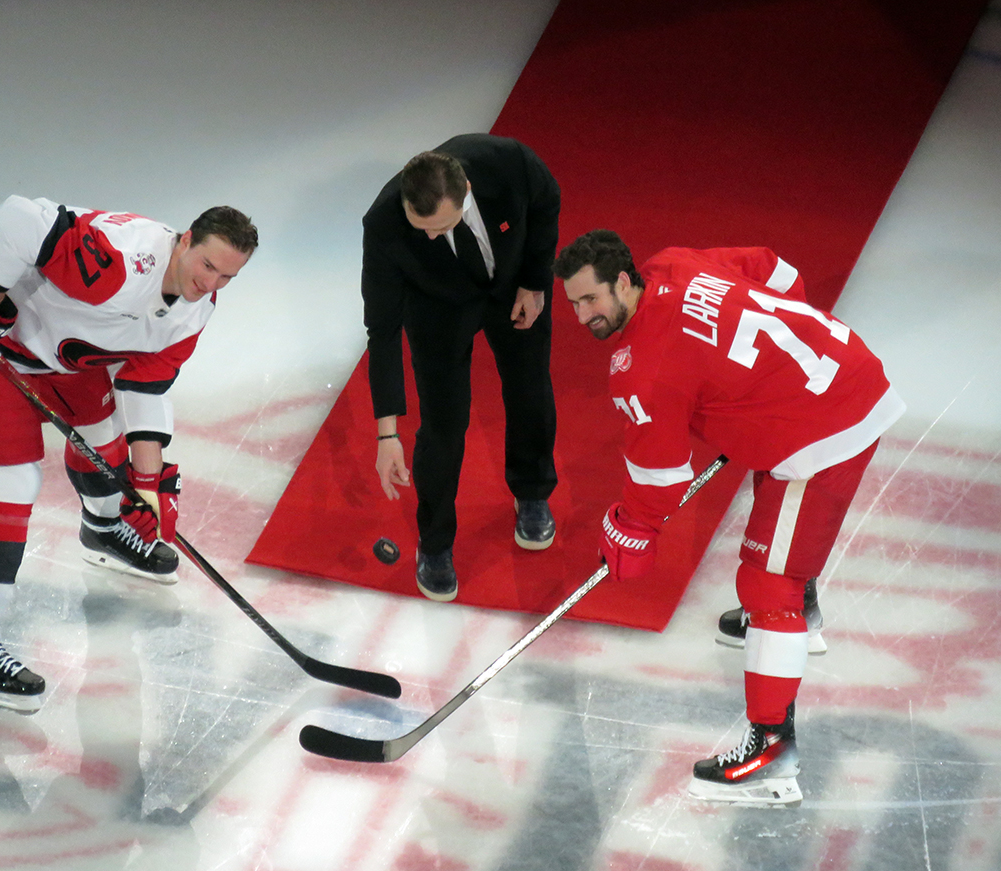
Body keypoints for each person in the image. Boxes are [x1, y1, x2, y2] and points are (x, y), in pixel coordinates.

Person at [554, 230, 904, 807]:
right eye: (573, 303)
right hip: (840, 373)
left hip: (826, 432)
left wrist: (630, 527)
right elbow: (777, 269)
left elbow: (661, 477)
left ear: (622, 281)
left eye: (591, 300)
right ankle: (803, 614)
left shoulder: (641, 368)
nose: (582, 316)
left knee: (767, 582)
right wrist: (775, 365)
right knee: (775, 515)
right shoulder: (674, 262)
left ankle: (771, 749)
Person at [0, 195, 258, 712]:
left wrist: (146, 490)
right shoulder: (122, 264)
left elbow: (147, 388)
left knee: (106, 442)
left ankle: (104, 531)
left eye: (227, 278)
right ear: (185, 240)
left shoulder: (195, 309)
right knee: (13, 486)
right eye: (207, 265)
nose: (210, 284)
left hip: (63, 352)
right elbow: (18, 218)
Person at [362, 134, 560, 602]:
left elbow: (547, 199)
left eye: (442, 226)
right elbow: (383, 330)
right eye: (422, 227)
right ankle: (434, 544)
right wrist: (386, 434)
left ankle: (532, 492)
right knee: (444, 426)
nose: (430, 236)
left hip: (513, 286)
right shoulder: (386, 224)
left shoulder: (506, 162)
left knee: (530, 388)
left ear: (467, 190)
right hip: (437, 308)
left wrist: (535, 282)